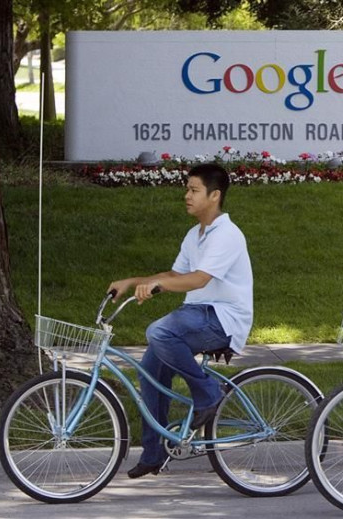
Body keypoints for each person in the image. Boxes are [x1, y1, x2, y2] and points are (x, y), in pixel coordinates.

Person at [108, 163, 253, 479]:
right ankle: (154, 454)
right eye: (186, 189)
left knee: (158, 331)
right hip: (197, 315)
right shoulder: (195, 234)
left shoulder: (227, 234)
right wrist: (133, 281)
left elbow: (199, 280)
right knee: (150, 370)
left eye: (193, 190)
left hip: (222, 318)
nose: (186, 195)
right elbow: (176, 275)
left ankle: (209, 393)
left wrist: (158, 286)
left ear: (214, 196)